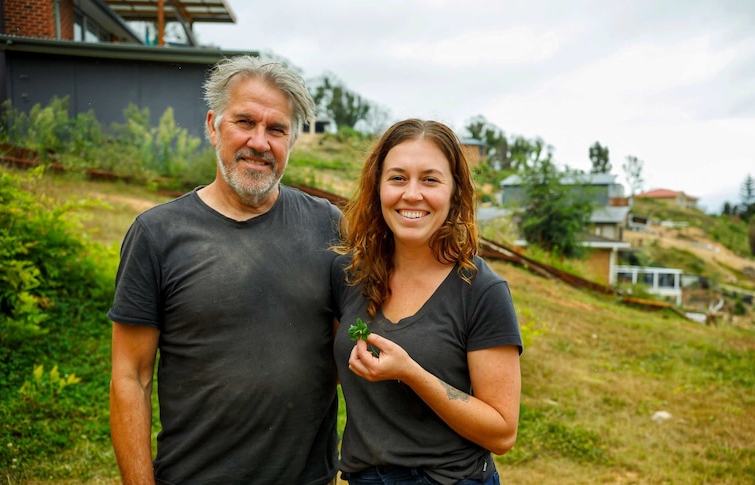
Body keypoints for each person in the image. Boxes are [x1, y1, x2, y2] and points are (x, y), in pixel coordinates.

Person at [108, 55, 341, 484]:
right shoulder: (157, 235)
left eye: (276, 129)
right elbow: (130, 376)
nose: (259, 142)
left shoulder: (328, 225)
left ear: (292, 139)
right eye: (244, 122)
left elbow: (359, 335)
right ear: (213, 125)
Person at [331, 119, 522, 485]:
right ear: (377, 188)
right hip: (364, 477)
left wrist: (411, 373)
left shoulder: (481, 290)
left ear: (455, 193)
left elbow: (501, 433)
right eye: (398, 178)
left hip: (448, 479)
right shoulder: (348, 275)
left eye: (430, 180)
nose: (412, 194)